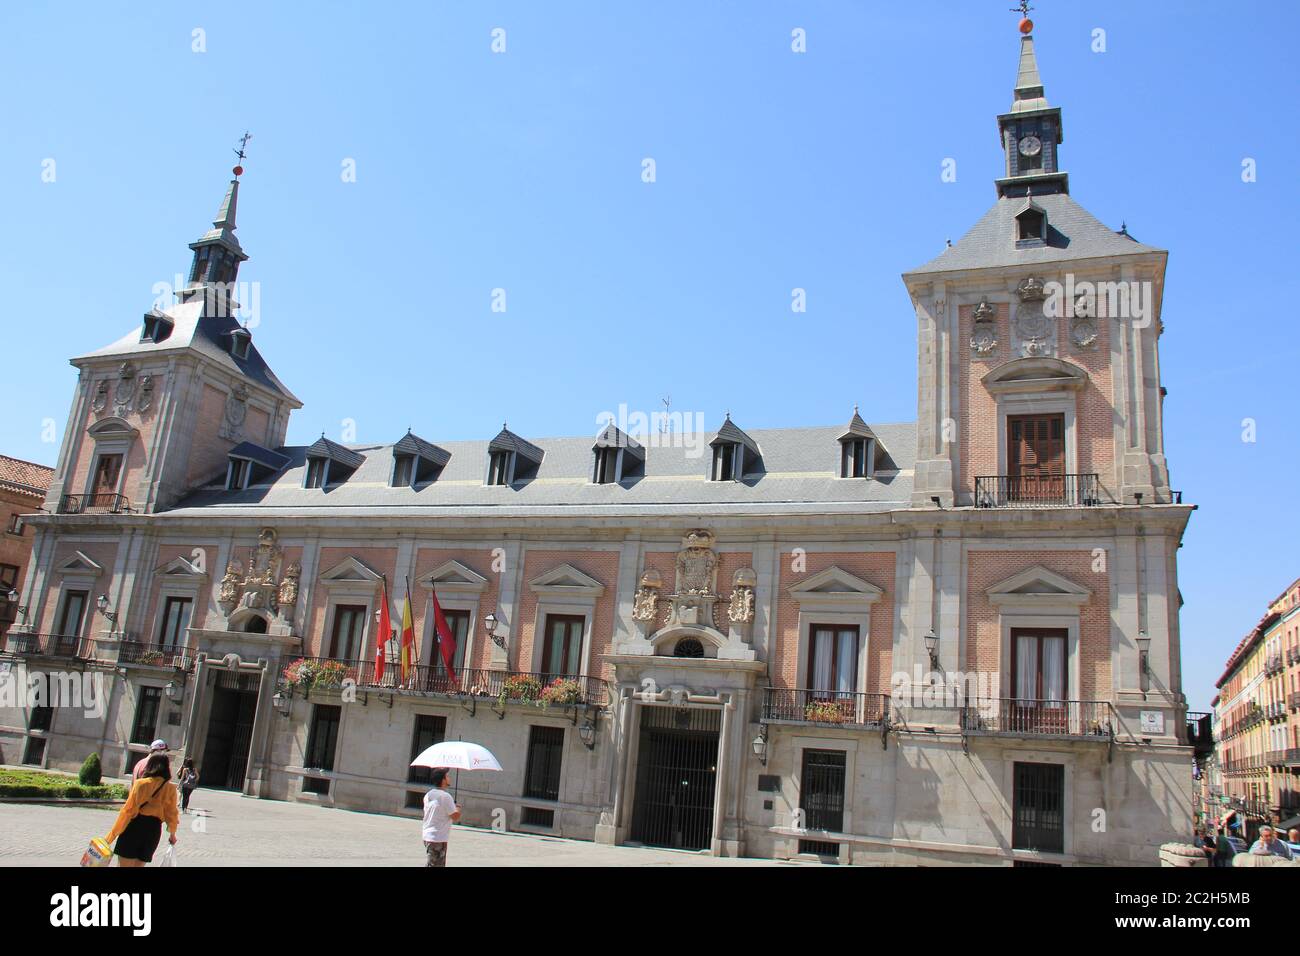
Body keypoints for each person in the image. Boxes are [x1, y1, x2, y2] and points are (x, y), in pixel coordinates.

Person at [106, 752, 179, 867]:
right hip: (153, 830)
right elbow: (172, 814)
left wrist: (111, 836)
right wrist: (172, 835)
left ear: (150, 765)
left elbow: (127, 811)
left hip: (134, 826)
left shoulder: (141, 784)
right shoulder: (170, 788)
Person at [421, 768, 461, 867]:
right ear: (443, 780)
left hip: (428, 835)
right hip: (437, 837)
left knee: (434, 864)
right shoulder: (445, 796)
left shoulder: (428, 794)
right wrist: (458, 808)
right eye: (447, 776)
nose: (449, 778)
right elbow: (455, 816)